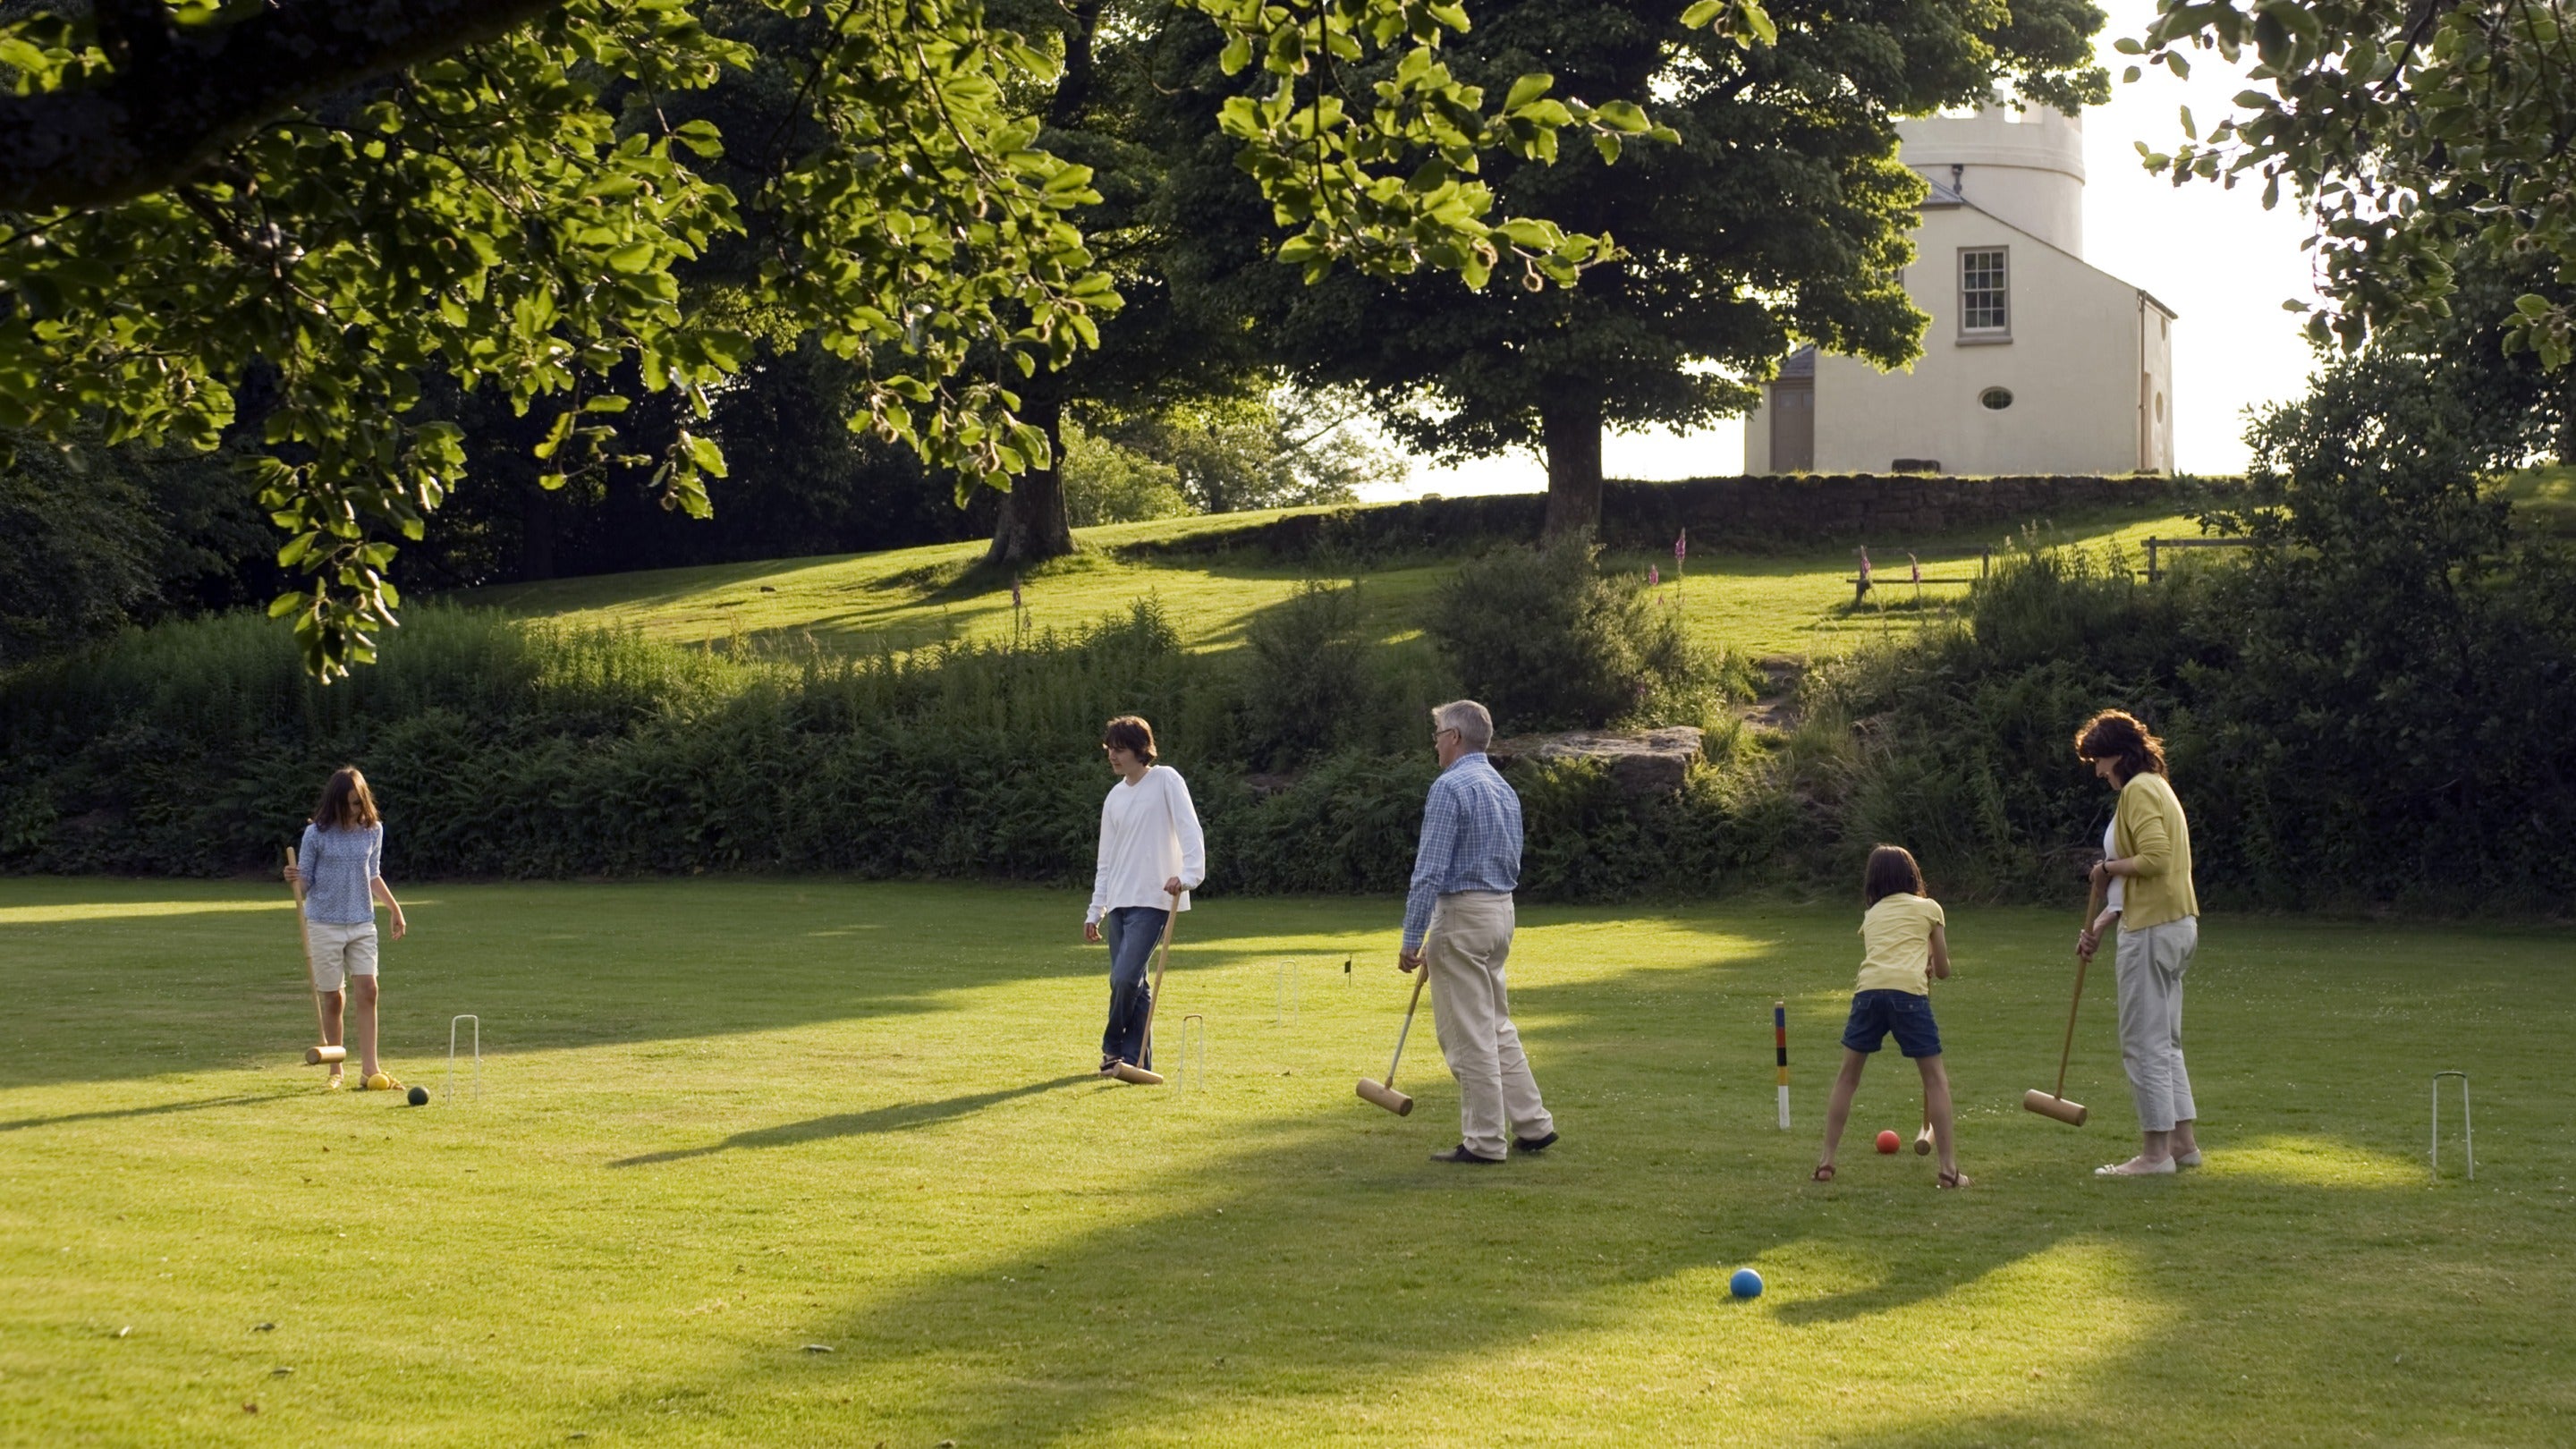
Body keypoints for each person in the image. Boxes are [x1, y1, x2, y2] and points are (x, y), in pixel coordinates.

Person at [1399, 699, 1556, 1165]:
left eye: (1438, 734)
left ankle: (1485, 1141)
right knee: (1496, 1025)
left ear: (1455, 738)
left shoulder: (1449, 788)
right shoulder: (1503, 787)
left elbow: (1429, 870)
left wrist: (1412, 937)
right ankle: (1533, 1124)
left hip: (1463, 914)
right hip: (1501, 913)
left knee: (1469, 1034)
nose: (1434, 743)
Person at [2073, 709, 2203, 1177]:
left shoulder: (2138, 790)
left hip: (2153, 929)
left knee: (2142, 1042)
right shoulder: (2156, 787)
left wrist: (2107, 868)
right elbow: (2153, 870)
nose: (2098, 769)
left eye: (2100, 759)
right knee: (2164, 1040)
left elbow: (2153, 859)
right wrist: (2106, 919)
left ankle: (2154, 1154)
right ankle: (2183, 1142)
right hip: (2171, 922)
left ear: (2120, 755)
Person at [1813, 845, 1967, 1188]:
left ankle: (1826, 1162)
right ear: (1912, 875)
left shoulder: (1872, 914)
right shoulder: (1930, 909)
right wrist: (1928, 959)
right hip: (1908, 996)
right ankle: (1948, 1170)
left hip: (1867, 993)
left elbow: (1887, 952)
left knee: (1847, 1079)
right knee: (1936, 1081)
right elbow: (1942, 970)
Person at [1083, 716, 1206, 1076]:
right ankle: (1138, 1062)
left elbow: (1190, 829)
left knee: (1124, 978)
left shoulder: (1166, 780)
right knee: (1132, 981)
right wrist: (1096, 910)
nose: (1112, 756)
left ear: (1140, 750)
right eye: (1110, 749)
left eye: (1119, 750)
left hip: (1154, 900)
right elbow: (1105, 859)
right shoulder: (1115, 796)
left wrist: (1187, 877)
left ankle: (1111, 1048)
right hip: (1120, 901)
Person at [282, 767, 408, 1090]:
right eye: (347, 804)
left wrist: (394, 909)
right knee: (335, 998)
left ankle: (370, 1070)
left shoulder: (372, 830)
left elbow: (373, 874)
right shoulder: (316, 834)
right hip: (324, 923)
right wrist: (295, 878)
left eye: (356, 803)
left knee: (369, 990)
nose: (352, 810)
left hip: (362, 922)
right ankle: (335, 1071)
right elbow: (307, 882)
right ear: (334, 803)